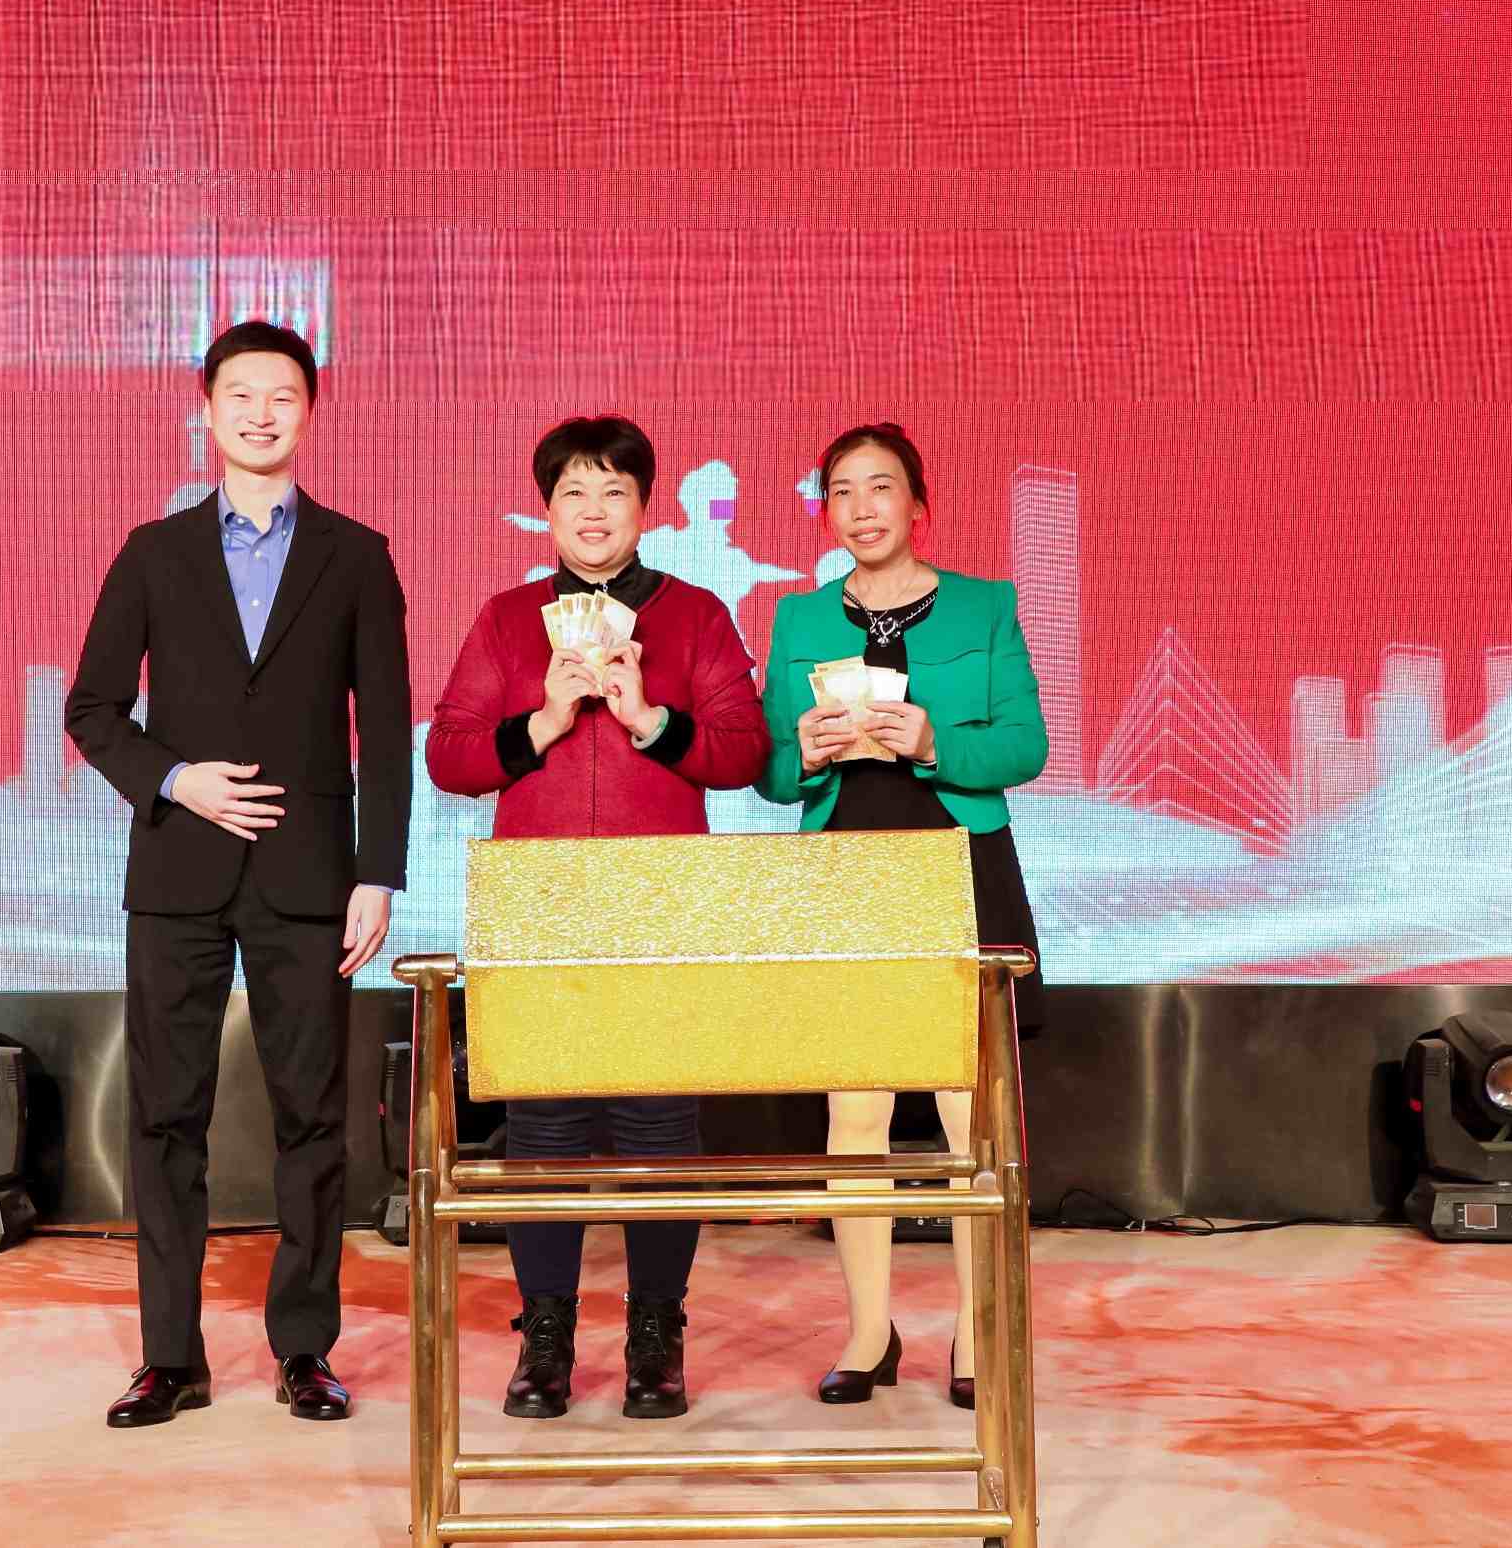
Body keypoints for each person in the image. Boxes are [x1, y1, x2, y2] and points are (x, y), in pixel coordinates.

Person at [65, 320, 412, 1431]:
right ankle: (169, 1357)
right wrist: (177, 779)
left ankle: (305, 1348)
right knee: (166, 1116)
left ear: (311, 411)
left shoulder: (357, 556)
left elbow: (385, 730)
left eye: (283, 396)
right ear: (207, 410)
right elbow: (92, 709)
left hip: (311, 877)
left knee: (314, 1116)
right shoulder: (153, 551)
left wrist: (379, 873)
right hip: (178, 873)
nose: (262, 414)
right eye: (241, 395)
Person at [426, 416, 768, 1421]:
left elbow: (745, 750)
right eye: (573, 491)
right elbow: (448, 756)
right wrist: (540, 719)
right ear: (547, 509)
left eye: (613, 491)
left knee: (661, 1120)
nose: (592, 510)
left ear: (643, 509)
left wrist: (649, 720)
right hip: (537, 904)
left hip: (661, 899)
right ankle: (546, 1336)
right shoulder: (507, 618)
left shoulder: (694, 614)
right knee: (544, 1122)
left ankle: (657, 1334)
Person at [757, 422, 1048, 1413]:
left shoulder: (986, 604)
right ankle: (867, 1332)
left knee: (970, 1110)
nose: (863, 507)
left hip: (960, 866)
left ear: (919, 503)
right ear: (826, 513)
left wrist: (933, 741)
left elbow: (1025, 745)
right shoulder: (799, 616)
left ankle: (977, 1327)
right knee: (856, 1110)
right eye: (842, 491)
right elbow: (769, 768)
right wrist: (803, 752)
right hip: (848, 871)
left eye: (881, 487)